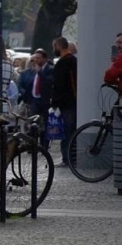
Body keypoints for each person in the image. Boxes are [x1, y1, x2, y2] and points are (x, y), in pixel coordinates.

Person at [50, 36, 77, 165]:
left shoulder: (63, 63)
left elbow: (59, 85)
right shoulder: (73, 61)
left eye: (54, 47)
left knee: (67, 131)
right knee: (70, 130)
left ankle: (68, 159)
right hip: (72, 101)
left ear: (59, 47)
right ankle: (71, 157)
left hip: (67, 103)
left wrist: (55, 102)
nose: (53, 49)